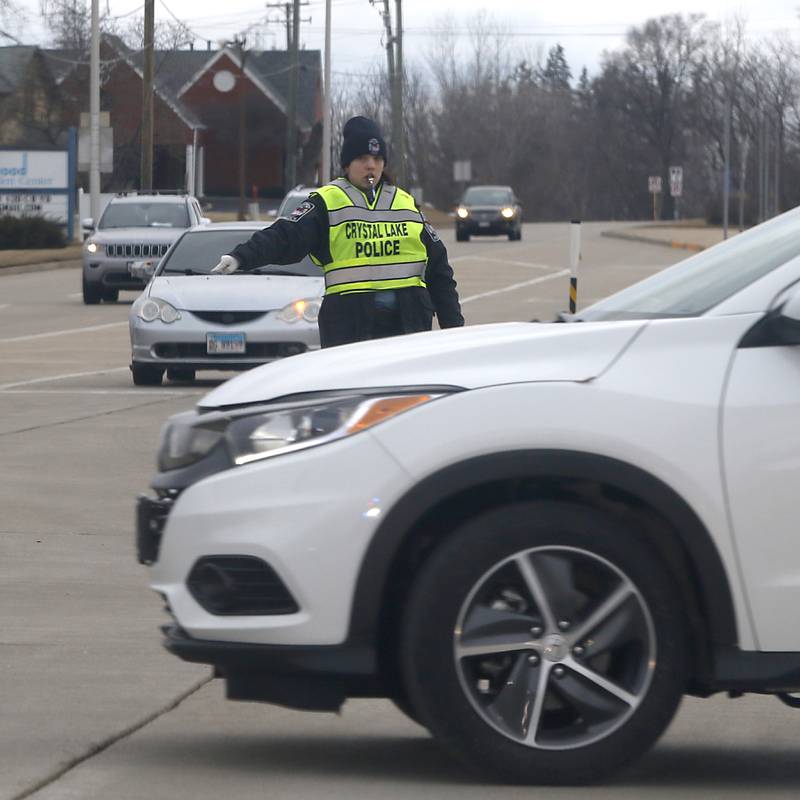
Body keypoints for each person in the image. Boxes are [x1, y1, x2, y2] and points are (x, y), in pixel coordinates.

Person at [210, 116, 464, 347]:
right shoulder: (327, 201)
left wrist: (454, 331)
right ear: (346, 165)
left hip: (408, 325)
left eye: (377, 160)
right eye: (362, 159)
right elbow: (285, 235)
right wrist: (241, 256)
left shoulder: (405, 202)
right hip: (351, 327)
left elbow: (439, 270)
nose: (371, 166)